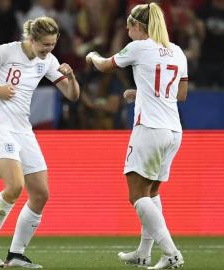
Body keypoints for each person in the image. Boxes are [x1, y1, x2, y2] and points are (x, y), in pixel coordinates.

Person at [0, 16, 80, 268]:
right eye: (45, 45)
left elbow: (72, 95)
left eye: (53, 44)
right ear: (31, 39)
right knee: (15, 185)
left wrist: (71, 77)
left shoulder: (48, 61)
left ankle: (16, 254)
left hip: (23, 131)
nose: (49, 50)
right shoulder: (5, 52)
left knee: (40, 194)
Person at [86, 2, 187, 269]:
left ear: (138, 26)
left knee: (137, 195)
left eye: (129, 25)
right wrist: (141, 93)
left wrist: (92, 55)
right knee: (151, 192)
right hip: (174, 131)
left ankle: (171, 252)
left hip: (150, 129)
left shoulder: (139, 47)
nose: (127, 29)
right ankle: (144, 253)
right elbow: (180, 94)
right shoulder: (177, 51)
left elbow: (105, 66)